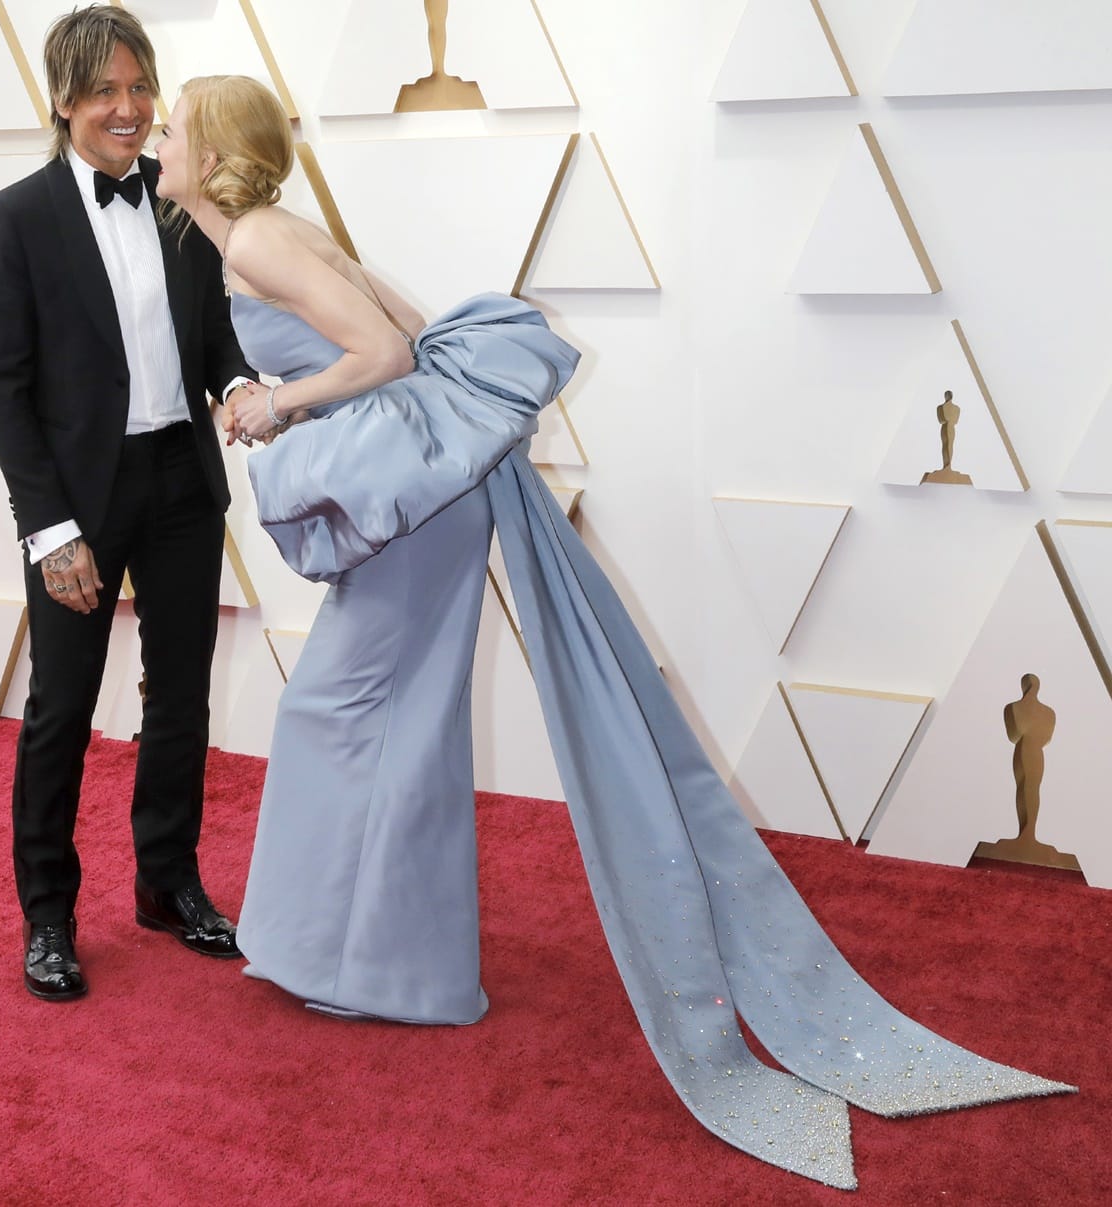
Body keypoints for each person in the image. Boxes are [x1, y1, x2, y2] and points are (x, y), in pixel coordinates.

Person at [159, 74, 1074, 1190]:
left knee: (341, 709)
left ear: (209, 151)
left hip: (410, 504)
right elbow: (405, 327)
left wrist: (275, 405)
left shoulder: (254, 239)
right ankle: (378, 962)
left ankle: (373, 962)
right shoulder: (266, 231)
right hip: (416, 495)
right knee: (383, 714)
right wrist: (319, 401)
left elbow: (392, 354)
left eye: (170, 125)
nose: (155, 135)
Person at [0, 7, 255, 1003]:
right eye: (106, 93)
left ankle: (168, 883)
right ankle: (48, 914)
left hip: (183, 481)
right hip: (78, 503)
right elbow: (5, 389)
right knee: (61, 710)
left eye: (142, 88)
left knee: (180, 699)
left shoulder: (183, 203)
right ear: (63, 101)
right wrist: (49, 530)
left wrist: (239, 387)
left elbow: (216, 335)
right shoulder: (13, 218)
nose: (130, 110)